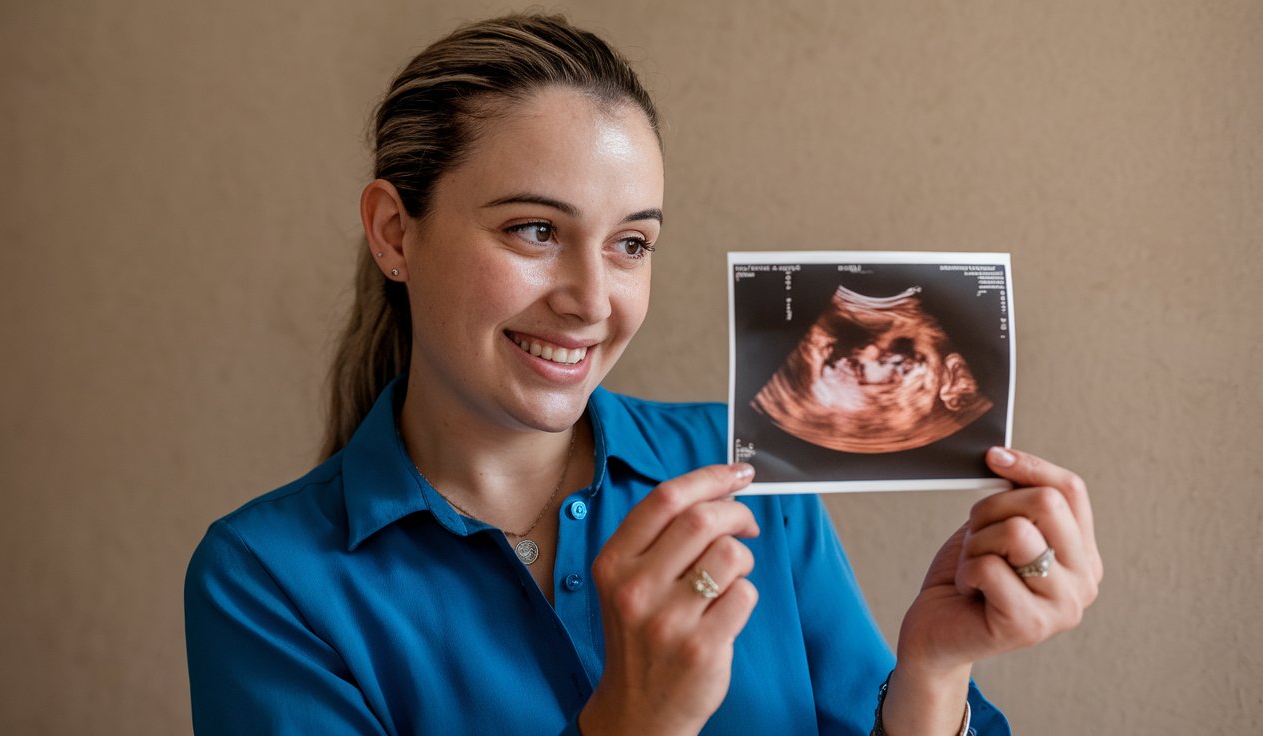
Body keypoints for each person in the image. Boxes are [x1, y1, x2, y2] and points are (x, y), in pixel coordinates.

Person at [184, 13, 1102, 736]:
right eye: (535, 230)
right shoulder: (265, 581)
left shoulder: (746, 474)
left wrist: (935, 670)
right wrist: (632, 720)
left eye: (630, 244)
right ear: (395, 233)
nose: (592, 300)